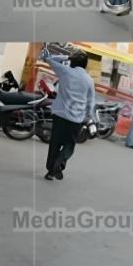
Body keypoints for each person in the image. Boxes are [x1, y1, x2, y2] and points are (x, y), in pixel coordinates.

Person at [42, 49, 95, 181]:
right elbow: (90, 101)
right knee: (69, 145)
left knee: (54, 143)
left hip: (60, 115)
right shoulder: (89, 80)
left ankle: (51, 171)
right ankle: (58, 164)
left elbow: (50, 59)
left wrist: (67, 56)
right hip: (76, 120)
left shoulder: (65, 71)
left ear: (73, 61)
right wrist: (89, 118)